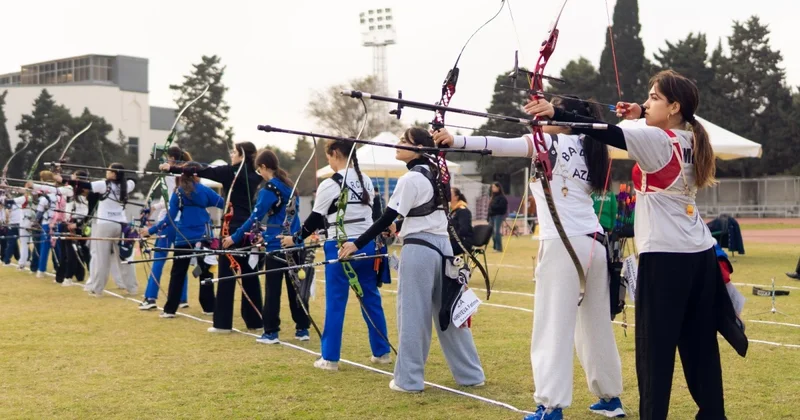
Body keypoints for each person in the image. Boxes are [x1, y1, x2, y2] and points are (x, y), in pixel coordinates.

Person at [527, 69, 733, 419]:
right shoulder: (692, 138)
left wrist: (557, 114)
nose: (646, 101)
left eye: (653, 97)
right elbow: (641, 123)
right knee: (700, 345)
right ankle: (712, 414)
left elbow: (604, 131)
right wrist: (642, 110)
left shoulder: (657, 141)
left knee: (655, 352)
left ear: (673, 107)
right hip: (699, 254)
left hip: (666, 258)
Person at [435, 95, 624, 420]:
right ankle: (610, 399)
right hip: (594, 243)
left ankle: (550, 406)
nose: (541, 113)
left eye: (549, 108)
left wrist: (455, 140)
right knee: (596, 326)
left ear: (564, 118)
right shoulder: (592, 145)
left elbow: (499, 145)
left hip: (562, 245)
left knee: (552, 324)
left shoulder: (549, 142)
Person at [339, 127, 485, 393]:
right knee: (450, 312)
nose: (398, 144)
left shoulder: (410, 179)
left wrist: (356, 243)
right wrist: (400, 226)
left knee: (412, 316)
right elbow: (417, 213)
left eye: (404, 141)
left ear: (418, 148)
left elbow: (386, 217)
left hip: (420, 250)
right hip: (443, 250)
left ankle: (409, 380)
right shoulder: (437, 175)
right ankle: (471, 375)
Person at [281, 139, 391, 370]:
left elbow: (314, 219)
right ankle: (382, 353)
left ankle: (330, 358)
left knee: (336, 302)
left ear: (336, 153)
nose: (329, 161)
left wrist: (295, 239)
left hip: (339, 247)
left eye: (329, 157)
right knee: (371, 299)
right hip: (367, 246)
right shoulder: (366, 181)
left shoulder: (330, 184)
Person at [161, 142, 263, 333]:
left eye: (234, 152)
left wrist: (172, 167)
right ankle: (255, 321)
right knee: (249, 274)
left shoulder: (230, 172)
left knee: (226, 275)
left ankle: (223, 324)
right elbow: (200, 168)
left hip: (231, 228)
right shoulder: (256, 175)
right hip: (249, 229)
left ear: (241, 155)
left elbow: (200, 169)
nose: (231, 155)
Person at [222, 149, 310, 344]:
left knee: (273, 290)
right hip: (295, 244)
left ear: (263, 167)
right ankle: (302, 329)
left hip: (277, 247)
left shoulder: (270, 189)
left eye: (259, 170)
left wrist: (234, 238)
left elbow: (255, 216)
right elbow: (279, 217)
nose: (259, 174)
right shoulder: (288, 185)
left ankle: (271, 332)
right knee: (296, 288)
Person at [141, 162, 224, 317]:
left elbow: (169, 218)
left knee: (178, 272)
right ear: (196, 174)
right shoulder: (204, 190)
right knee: (205, 272)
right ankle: (209, 307)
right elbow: (223, 203)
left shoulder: (178, 192)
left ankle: (170, 309)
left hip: (183, 237)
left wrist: (150, 231)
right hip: (204, 236)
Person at [56, 163, 138, 297]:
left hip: (105, 225)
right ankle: (132, 288)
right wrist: (124, 174)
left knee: (101, 259)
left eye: (109, 170)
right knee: (124, 257)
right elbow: (133, 179)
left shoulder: (104, 185)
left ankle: (97, 290)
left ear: (114, 174)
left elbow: (83, 185)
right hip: (122, 225)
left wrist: (63, 180)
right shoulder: (126, 185)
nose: (106, 172)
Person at [139, 146, 190, 311]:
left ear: (173, 159)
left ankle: (150, 297)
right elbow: (171, 199)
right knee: (180, 261)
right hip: (181, 224)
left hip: (167, 224)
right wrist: (155, 207)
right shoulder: (188, 175)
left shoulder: (171, 173)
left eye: (168, 158)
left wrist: (155, 207)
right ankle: (182, 299)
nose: (166, 161)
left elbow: (170, 201)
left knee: (158, 260)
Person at [448, 187, 473, 256]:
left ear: (456, 197)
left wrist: (451, 237)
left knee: (441, 250)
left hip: (462, 242)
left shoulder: (462, 210)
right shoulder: (452, 210)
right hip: (453, 240)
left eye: (450, 194)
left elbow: (464, 229)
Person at [487, 182, 507, 252]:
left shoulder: (502, 197)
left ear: (498, 188)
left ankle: (499, 248)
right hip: (491, 216)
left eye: (494, 187)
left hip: (498, 216)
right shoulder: (492, 197)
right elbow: (489, 207)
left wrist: (494, 207)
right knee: (491, 232)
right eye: (492, 187)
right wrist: (488, 216)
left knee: (496, 231)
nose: (493, 189)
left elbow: (503, 207)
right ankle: (495, 247)